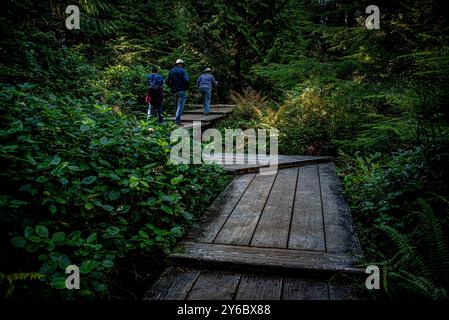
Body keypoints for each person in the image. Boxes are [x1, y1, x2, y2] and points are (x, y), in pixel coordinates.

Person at [167, 59, 189, 125]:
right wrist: (185, 87)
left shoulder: (171, 71)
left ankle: (177, 120)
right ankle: (177, 121)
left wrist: (172, 87)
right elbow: (186, 80)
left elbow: (167, 81)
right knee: (180, 106)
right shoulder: (182, 71)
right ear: (181, 64)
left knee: (176, 105)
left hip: (174, 91)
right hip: (181, 90)